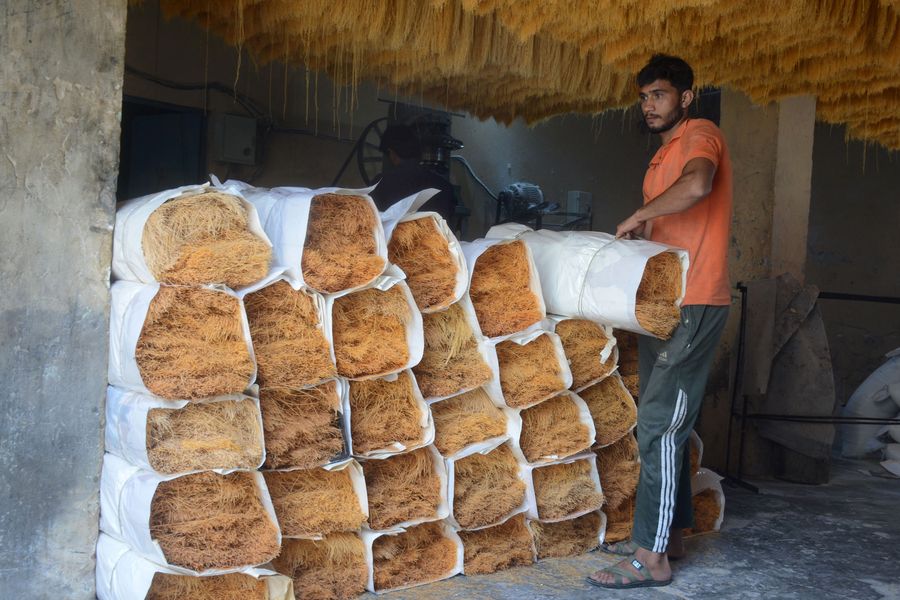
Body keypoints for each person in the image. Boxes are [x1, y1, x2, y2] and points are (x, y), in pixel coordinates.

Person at [587, 54, 732, 589]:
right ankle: (669, 536)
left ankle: (651, 560)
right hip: (664, 303)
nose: (649, 105)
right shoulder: (662, 155)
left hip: (693, 301)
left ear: (685, 98)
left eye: (660, 95)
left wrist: (638, 215)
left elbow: (697, 187)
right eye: (644, 96)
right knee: (667, 421)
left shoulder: (700, 135)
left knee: (660, 427)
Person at [369, 124, 456, 221]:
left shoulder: (380, 183)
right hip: (435, 235)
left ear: (391, 153)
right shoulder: (445, 186)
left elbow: (370, 221)